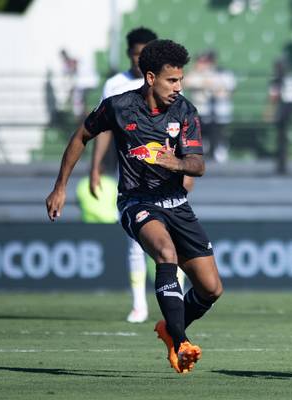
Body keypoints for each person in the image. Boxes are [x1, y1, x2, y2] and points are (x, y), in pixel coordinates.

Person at [46, 39, 223, 374]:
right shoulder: (119, 106)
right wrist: (60, 187)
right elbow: (81, 135)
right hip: (137, 203)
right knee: (166, 254)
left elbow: (198, 164)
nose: (178, 87)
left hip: (177, 204)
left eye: (181, 80)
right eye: (173, 80)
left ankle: (168, 328)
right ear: (151, 77)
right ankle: (181, 342)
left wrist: (176, 163)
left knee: (212, 289)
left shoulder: (185, 111)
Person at [90, 27, 191, 324]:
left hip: (169, 179)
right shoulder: (116, 86)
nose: (138, 59)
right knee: (136, 244)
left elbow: (183, 128)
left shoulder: (170, 85)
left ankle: (177, 305)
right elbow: (101, 128)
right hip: (135, 180)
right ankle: (139, 304)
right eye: (135, 54)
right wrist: (96, 166)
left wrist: (187, 171)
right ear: (128, 54)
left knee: (174, 245)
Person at [185, 50, 236, 163]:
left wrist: (207, 84)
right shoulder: (194, 74)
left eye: (206, 61)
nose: (203, 64)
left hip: (218, 111)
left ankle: (219, 150)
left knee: (218, 132)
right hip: (200, 111)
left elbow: (224, 91)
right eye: (201, 61)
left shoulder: (222, 73)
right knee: (201, 132)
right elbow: (187, 82)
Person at [267, 58, 292, 174]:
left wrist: (270, 111)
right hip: (290, 107)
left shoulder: (277, 80)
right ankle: (283, 162)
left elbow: (273, 97)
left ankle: (282, 164)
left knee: (281, 137)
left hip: (283, 107)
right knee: (283, 137)